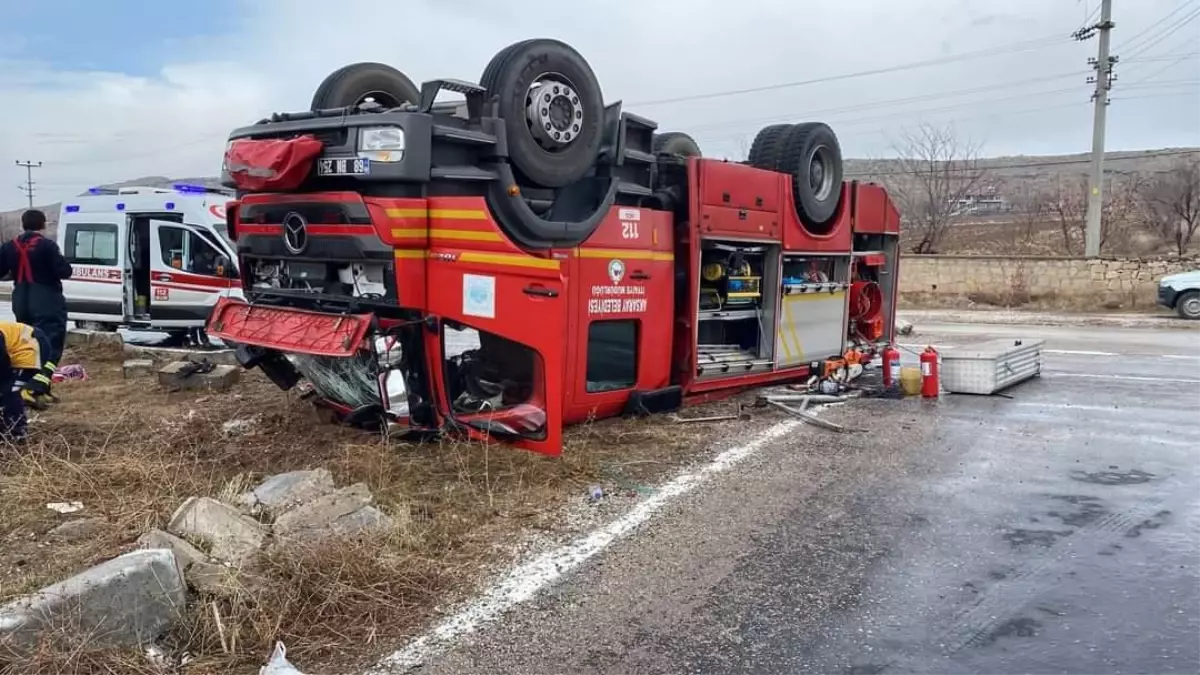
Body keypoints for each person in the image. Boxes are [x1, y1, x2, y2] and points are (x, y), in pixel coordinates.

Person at [0, 209, 72, 405]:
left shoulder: (9, 246)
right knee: (51, 345)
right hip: (47, 299)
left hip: (21, 299)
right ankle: (34, 387)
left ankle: (38, 389)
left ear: (23, 225)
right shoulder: (47, 246)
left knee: (29, 344)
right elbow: (65, 271)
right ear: (43, 224)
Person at [0, 320, 44, 443]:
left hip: (30, 348)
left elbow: (2, 363)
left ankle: (17, 434)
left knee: (11, 391)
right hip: (14, 350)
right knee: (5, 390)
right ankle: (6, 428)